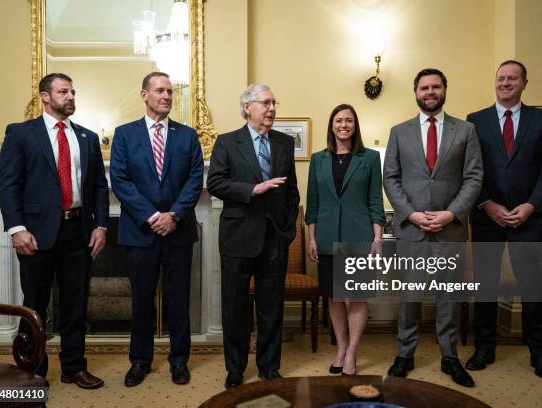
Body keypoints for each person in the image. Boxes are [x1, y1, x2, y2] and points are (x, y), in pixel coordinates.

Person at [0, 72, 109, 388]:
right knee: (34, 301)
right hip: (36, 233)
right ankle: (32, 368)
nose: (71, 96)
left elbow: (100, 187)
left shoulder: (86, 137)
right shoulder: (21, 134)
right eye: (63, 91)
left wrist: (100, 225)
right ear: (45, 96)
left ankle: (74, 367)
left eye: (73, 91)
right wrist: (17, 229)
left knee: (76, 302)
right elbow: (9, 185)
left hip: (78, 231)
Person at [383, 68, 483, 387]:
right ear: (415, 92)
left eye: (435, 86)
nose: (430, 91)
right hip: (412, 229)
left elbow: (474, 177)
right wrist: (411, 214)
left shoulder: (465, 131)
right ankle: (405, 354)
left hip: (449, 229)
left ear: (444, 90)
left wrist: (451, 214)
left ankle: (449, 357)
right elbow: (391, 178)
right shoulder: (399, 131)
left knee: (449, 297)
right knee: (410, 295)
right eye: (424, 87)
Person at [465, 60, 542, 380]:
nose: (505, 83)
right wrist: (487, 204)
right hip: (486, 217)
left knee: (534, 287)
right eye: (500, 78)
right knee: (485, 286)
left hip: (528, 219)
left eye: (512, 79)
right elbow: (470, 171)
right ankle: (484, 348)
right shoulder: (474, 122)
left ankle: (540, 353)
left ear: (524, 83)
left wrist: (531, 206)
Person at [110, 71, 204, 386]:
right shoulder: (124, 134)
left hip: (178, 231)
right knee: (141, 300)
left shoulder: (187, 135)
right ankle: (140, 361)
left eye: (170, 91)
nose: (166, 96)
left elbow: (194, 180)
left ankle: (179, 361)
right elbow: (120, 180)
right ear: (144, 95)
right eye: (160, 91)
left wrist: (174, 215)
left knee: (179, 300)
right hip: (140, 232)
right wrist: (152, 216)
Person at [207, 83, 300, 389]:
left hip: (274, 239)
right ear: (248, 107)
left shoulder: (285, 144)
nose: (272, 108)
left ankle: (269, 366)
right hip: (237, 237)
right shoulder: (226, 142)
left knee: (271, 307)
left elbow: (291, 192)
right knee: (234, 308)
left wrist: (286, 232)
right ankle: (235, 368)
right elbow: (216, 183)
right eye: (266, 103)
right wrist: (252, 190)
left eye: (274, 102)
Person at [305, 103, 385, 376]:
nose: (343, 125)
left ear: (355, 125)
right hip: (326, 236)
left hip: (359, 236)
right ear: (331, 125)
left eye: (349, 120)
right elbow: (313, 203)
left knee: (358, 297)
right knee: (335, 298)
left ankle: (352, 353)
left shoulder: (371, 158)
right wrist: (311, 238)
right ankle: (341, 348)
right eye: (338, 120)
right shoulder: (318, 159)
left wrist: (378, 238)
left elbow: (376, 199)